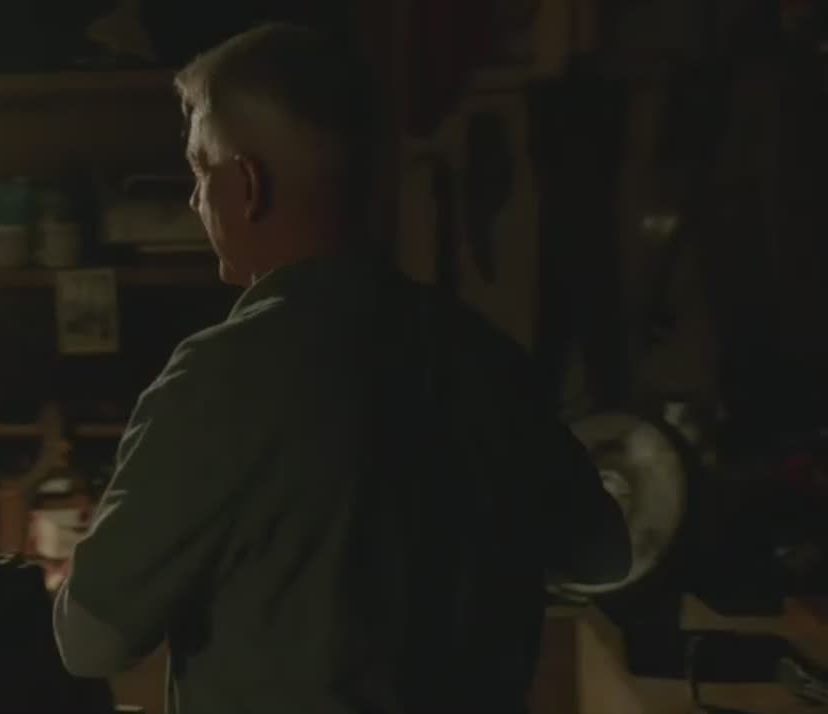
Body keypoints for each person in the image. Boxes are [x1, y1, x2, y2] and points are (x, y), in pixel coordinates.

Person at [52, 22, 631, 714]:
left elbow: (91, 640)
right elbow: (603, 556)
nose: (194, 200)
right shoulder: (484, 354)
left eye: (201, 172)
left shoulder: (223, 377)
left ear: (248, 185)